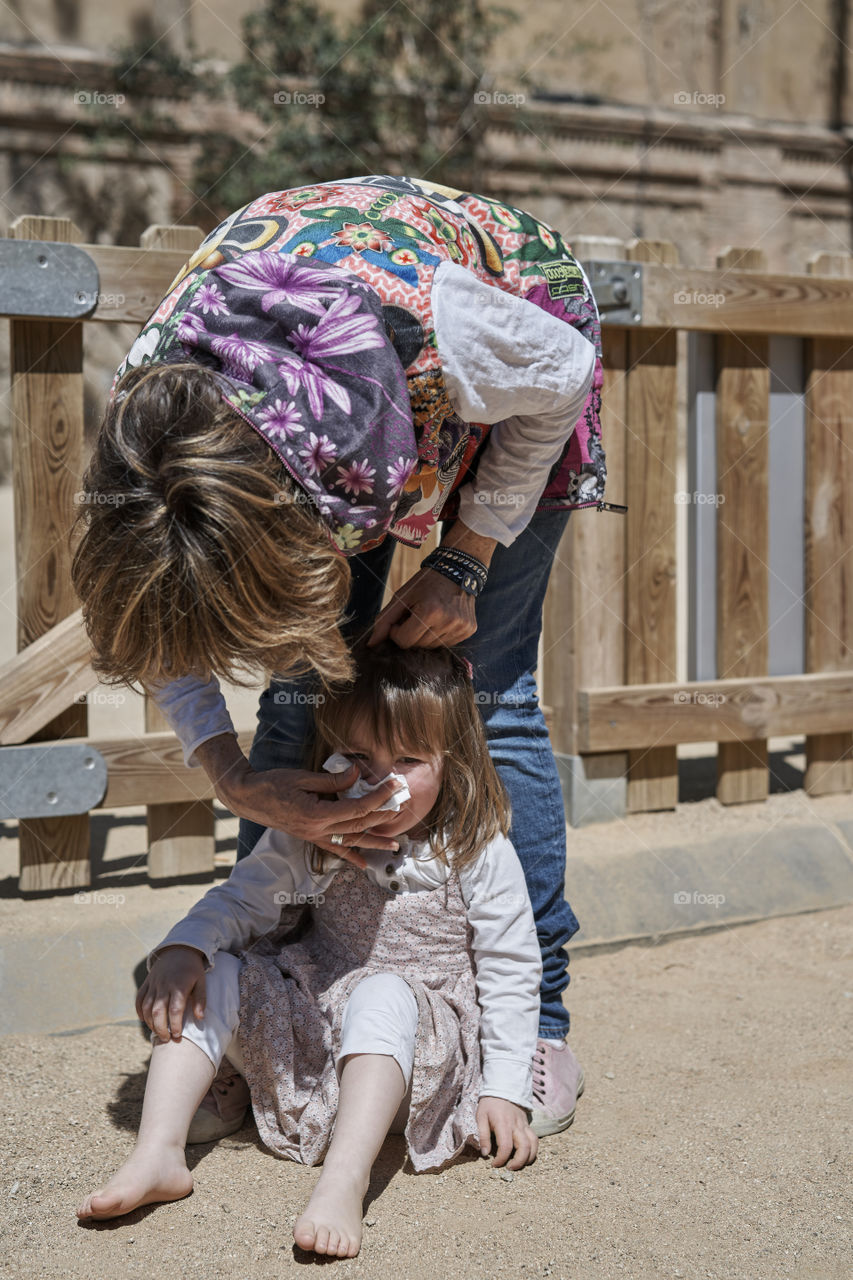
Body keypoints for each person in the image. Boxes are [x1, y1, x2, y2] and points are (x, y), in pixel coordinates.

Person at [71, 174, 607, 1135]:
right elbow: (165, 620)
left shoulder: (449, 338)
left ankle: (535, 1033)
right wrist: (233, 776)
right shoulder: (149, 454)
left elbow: (559, 372)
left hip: (513, 358)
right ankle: (266, 1013)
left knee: (487, 688)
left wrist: (467, 558)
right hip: (316, 418)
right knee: (300, 696)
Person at [76, 642, 542, 1258]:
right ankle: (158, 1152)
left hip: (414, 1064)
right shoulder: (314, 829)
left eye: (408, 758)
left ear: (451, 763)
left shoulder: (475, 847)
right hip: (317, 1043)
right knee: (217, 971)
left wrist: (504, 1088)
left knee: (381, 991)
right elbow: (243, 899)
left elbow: (511, 968)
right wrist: (187, 946)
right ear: (328, 752)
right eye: (357, 756)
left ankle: (343, 1180)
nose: (381, 779)